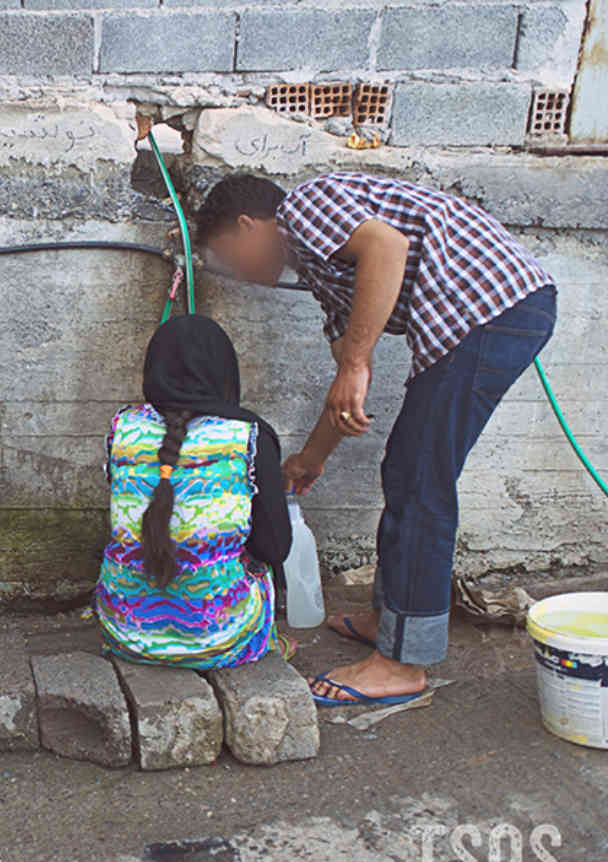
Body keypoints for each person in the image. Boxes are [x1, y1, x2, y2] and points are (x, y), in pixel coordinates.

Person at [196, 171, 556, 705]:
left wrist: (360, 361)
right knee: (407, 469)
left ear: (250, 225)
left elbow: (388, 246)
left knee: (419, 479)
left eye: (226, 257)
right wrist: (311, 457)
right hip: (482, 317)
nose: (236, 274)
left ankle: (401, 663)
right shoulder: (322, 271)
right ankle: (392, 618)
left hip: (494, 308)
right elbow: (347, 375)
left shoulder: (303, 207)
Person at [93, 315, 292, 669]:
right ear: (225, 372)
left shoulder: (122, 427)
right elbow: (274, 546)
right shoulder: (248, 434)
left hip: (124, 632)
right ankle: (264, 637)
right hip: (223, 637)